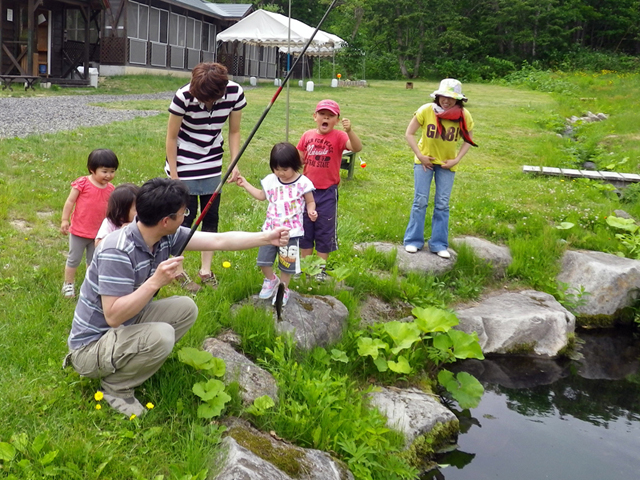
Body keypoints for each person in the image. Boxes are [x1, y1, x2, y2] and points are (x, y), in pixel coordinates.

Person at [64, 178, 290, 418]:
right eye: (184, 213)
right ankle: (116, 388)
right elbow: (113, 315)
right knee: (162, 336)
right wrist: (155, 282)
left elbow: (219, 240)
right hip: (89, 350)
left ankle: (133, 362)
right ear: (165, 221)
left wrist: (267, 238)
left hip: (122, 327)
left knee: (185, 308)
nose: (186, 217)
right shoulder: (117, 250)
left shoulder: (163, 235)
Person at [165, 62, 247, 292]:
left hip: (212, 162)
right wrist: (174, 175)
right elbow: (171, 138)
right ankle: (176, 268)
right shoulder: (183, 96)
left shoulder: (235, 93)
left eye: (211, 100)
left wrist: (234, 161)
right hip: (184, 163)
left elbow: (234, 130)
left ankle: (205, 270)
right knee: (183, 220)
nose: (207, 104)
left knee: (211, 218)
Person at [403, 78, 477, 258]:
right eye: (443, 96)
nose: (446, 100)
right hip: (424, 162)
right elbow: (409, 133)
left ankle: (438, 244)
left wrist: (456, 160)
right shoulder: (426, 110)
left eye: (451, 98)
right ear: (437, 96)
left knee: (442, 204)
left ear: (458, 99)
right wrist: (420, 155)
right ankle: (413, 241)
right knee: (420, 200)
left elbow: (469, 140)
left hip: (447, 165)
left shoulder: (463, 115)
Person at [236, 143, 317, 306]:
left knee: (287, 266)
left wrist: (311, 211)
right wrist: (245, 183)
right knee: (263, 261)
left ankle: (283, 289)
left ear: (295, 165)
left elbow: (310, 201)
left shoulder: (303, 183)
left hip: (291, 233)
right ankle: (271, 279)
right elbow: (260, 195)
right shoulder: (270, 181)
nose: (280, 173)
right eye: (276, 169)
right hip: (270, 231)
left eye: (285, 169)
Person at [297, 99, 362, 279]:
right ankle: (305, 267)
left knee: (324, 229)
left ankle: (319, 269)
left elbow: (357, 147)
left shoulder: (340, 136)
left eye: (330, 116)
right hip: (306, 192)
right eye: (322, 115)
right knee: (305, 229)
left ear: (337, 120)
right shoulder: (307, 135)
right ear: (315, 117)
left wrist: (350, 131)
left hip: (327, 192)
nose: (326, 118)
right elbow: (299, 158)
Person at [60, 148, 118, 298]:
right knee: (74, 258)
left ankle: (89, 284)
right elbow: (70, 201)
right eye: (104, 171)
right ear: (92, 170)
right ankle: (68, 284)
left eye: (112, 171)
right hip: (79, 231)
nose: (109, 175)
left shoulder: (111, 189)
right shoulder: (82, 183)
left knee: (93, 261)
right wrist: (65, 220)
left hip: (98, 235)